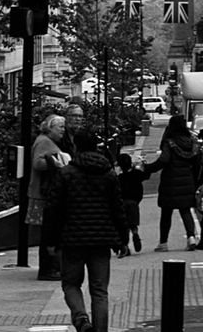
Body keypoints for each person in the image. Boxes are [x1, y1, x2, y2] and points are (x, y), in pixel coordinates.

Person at [45, 130, 129, 332]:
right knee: (100, 291)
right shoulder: (108, 174)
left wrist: (51, 240)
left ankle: (81, 320)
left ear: (76, 147)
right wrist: (123, 238)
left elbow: (53, 209)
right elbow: (117, 208)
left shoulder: (66, 174)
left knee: (71, 284)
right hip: (102, 239)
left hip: (72, 239)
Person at [144, 114, 201, 251]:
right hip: (187, 179)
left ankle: (163, 243)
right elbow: (198, 162)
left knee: (166, 212)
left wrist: (148, 168)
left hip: (170, 180)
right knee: (185, 210)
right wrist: (194, 178)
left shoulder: (169, 142)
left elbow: (164, 160)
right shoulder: (191, 142)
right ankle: (191, 237)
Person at [27, 114, 68, 280]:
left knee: (48, 232)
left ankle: (50, 268)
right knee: (48, 233)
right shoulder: (44, 141)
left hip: (44, 192)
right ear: (50, 128)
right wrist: (57, 164)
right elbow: (37, 163)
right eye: (60, 127)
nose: (63, 131)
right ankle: (48, 269)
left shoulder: (45, 140)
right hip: (43, 194)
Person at [115, 152, 152, 253]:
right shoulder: (136, 174)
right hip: (134, 202)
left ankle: (125, 245)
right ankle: (135, 234)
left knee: (124, 225)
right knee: (133, 223)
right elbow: (146, 175)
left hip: (122, 202)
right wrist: (144, 164)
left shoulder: (119, 178)